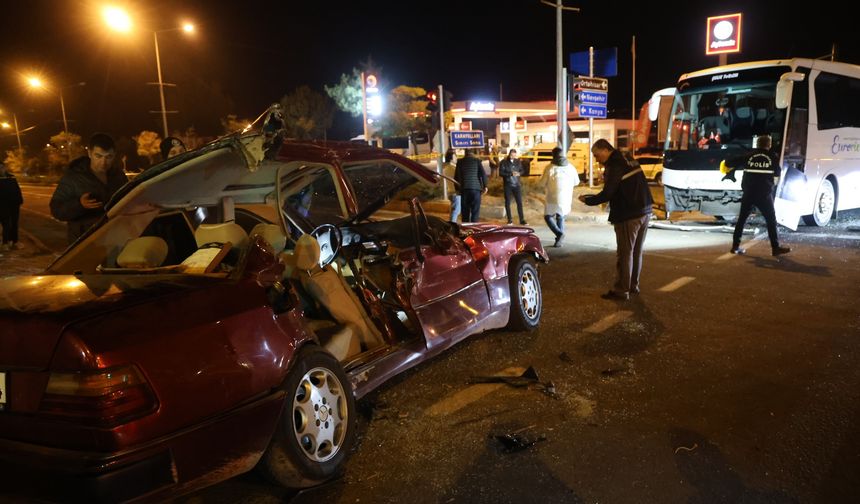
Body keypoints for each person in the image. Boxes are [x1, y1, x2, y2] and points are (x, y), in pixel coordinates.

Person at [579, 139, 653, 301]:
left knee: (625, 253)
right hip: (644, 210)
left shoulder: (615, 164)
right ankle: (633, 285)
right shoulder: (627, 158)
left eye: (597, 155)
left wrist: (588, 200)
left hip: (629, 213)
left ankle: (621, 290)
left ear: (605, 150)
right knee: (636, 251)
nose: (597, 159)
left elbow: (608, 193)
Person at [50, 133, 128, 244]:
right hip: (84, 241)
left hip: (114, 238)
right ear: (90, 153)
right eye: (98, 156)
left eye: (108, 157)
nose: (103, 162)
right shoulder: (74, 177)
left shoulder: (118, 176)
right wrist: (79, 205)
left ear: (114, 155)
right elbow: (56, 209)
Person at [722, 134, 791, 256]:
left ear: (757, 144)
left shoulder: (749, 156)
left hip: (749, 193)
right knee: (771, 220)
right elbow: (777, 173)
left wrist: (727, 167)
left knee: (742, 220)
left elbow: (728, 162)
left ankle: (735, 246)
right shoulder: (772, 157)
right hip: (764, 195)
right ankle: (775, 248)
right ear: (769, 145)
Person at [540, 147, 577, 247]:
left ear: (553, 155)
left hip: (553, 197)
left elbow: (542, 183)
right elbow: (576, 182)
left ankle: (559, 234)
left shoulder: (550, 168)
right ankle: (559, 241)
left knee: (548, 216)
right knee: (561, 216)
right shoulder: (571, 167)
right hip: (566, 198)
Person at [454, 148, 488, 222]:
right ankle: (474, 229)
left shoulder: (460, 162)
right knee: (475, 212)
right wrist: (485, 186)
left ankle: (465, 229)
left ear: (465, 153)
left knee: (465, 212)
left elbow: (456, 176)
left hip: (464, 189)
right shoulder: (477, 161)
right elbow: (483, 174)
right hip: (476, 189)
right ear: (473, 153)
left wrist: (457, 189)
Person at [499, 148, 527, 225]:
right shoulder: (504, 162)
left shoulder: (518, 162)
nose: (513, 156)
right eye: (511, 155)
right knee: (507, 202)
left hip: (517, 184)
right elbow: (501, 173)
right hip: (508, 184)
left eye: (514, 155)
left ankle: (522, 220)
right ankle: (509, 219)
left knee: (519, 202)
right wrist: (510, 174)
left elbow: (522, 170)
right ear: (509, 154)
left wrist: (519, 173)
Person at [0, 161, 24, 251]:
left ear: (5, 168)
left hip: (14, 204)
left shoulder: (11, 177)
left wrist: (20, 200)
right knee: (6, 224)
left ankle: (14, 241)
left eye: (2, 167)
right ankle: (5, 243)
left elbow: (17, 189)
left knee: (14, 223)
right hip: (2, 206)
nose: (1, 169)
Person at [442, 149, 461, 222]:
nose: (456, 157)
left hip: (450, 191)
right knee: (456, 211)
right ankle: (452, 226)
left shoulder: (446, 168)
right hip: (455, 192)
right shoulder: (453, 168)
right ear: (452, 157)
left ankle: (452, 224)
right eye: (455, 156)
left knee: (455, 210)